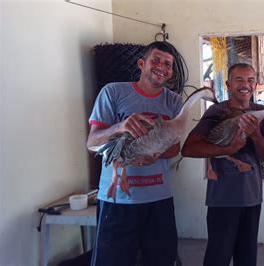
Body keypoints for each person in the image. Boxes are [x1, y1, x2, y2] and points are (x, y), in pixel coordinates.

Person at [86, 41, 183, 266]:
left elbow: (175, 148)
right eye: (156, 60)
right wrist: (121, 126)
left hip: (159, 199)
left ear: (171, 72)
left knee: (161, 260)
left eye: (167, 64)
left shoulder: (175, 102)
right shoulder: (113, 92)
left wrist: (157, 152)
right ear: (142, 63)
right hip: (117, 201)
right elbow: (92, 142)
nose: (161, 67)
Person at [181, 63, 264, 266]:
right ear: (228, 84)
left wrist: (256, 134)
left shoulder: (262, 113)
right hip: (222, 199)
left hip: (252, 198)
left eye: (250, 80)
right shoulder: (216, 112)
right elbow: (188, 148)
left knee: (247, 258)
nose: (245, 85)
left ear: (256, 85)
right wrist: (227, 149)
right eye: (239, 79)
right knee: (218, 257)